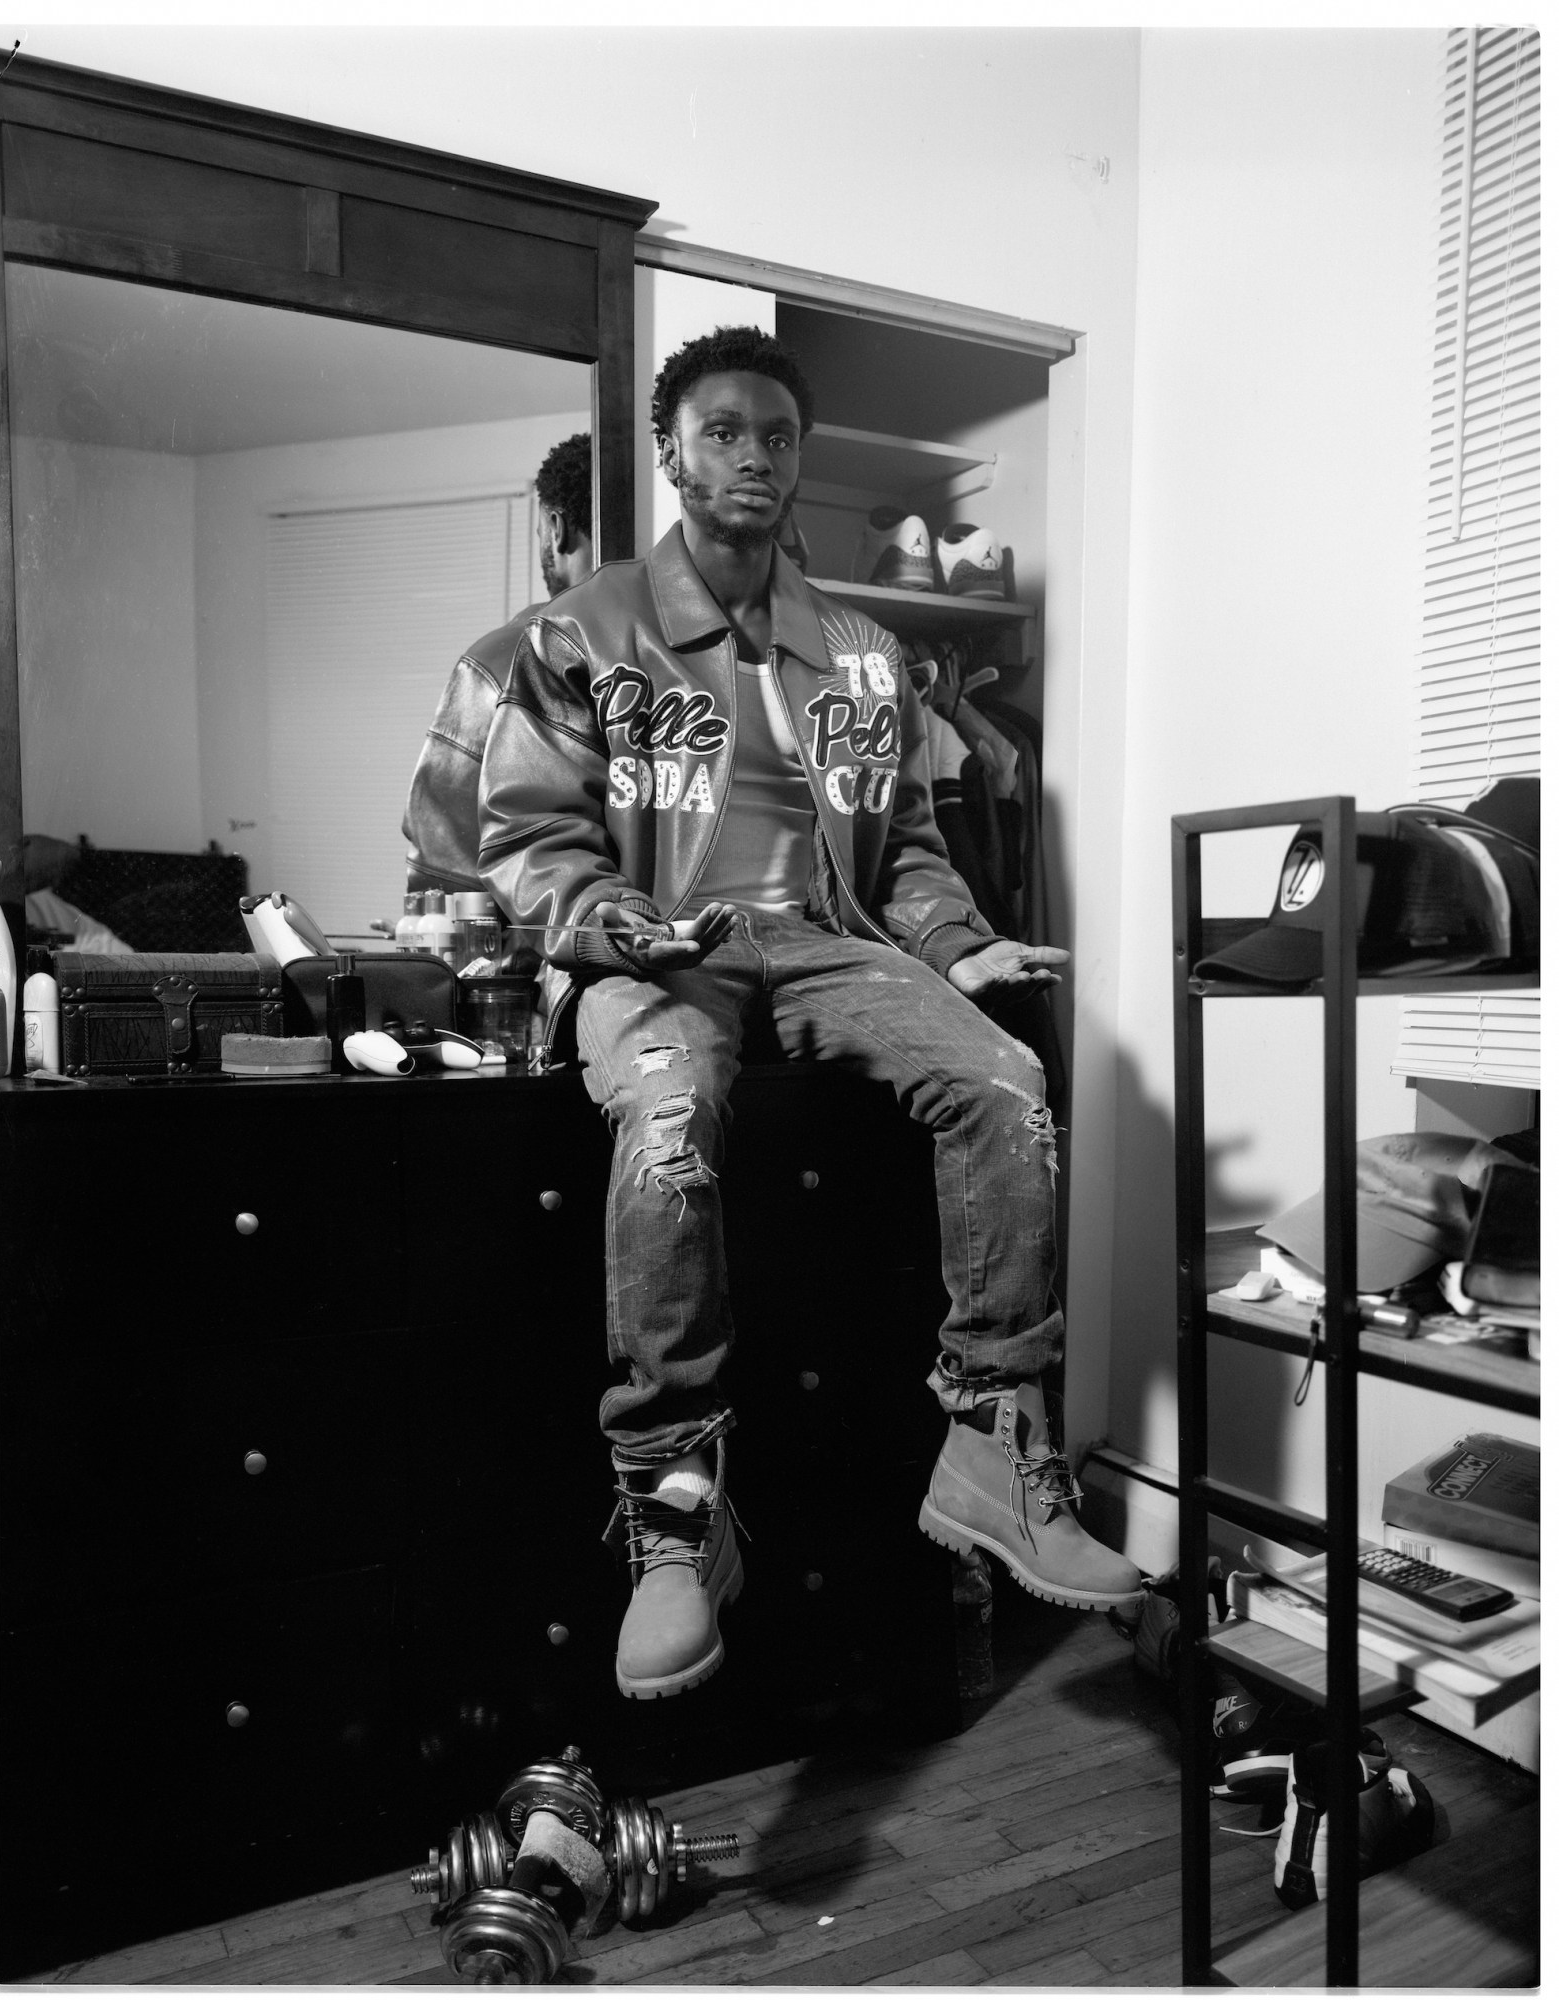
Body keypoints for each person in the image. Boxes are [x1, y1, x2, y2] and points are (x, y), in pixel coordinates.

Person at [478, 326, 1142, 1701]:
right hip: (654, 956)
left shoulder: (864, 653)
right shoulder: (575, 639)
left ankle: (993, 1443)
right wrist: (620, 924)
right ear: (670, 452)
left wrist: (958, 953)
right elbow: (526, 845)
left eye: (776, 437)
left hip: (819, 946)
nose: (753, 458)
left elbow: (901, 850)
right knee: (670, 1113)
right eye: (723, 431)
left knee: (1011, 1079)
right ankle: (672, 1506)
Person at [403, 431, 596, 894]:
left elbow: (443, 865)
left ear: (556, 527)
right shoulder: (681, 660)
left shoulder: (497, 661)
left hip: (536, 958)